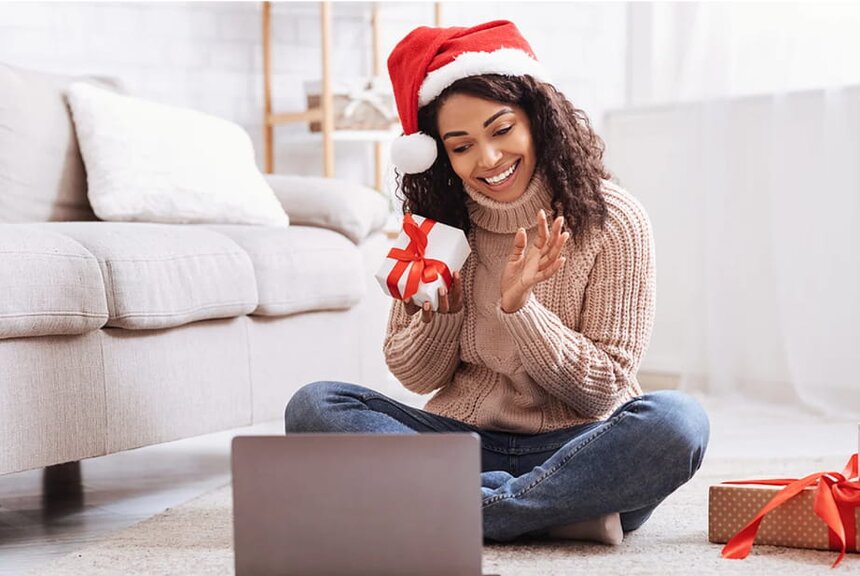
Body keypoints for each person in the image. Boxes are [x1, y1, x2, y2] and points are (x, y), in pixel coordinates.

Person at [285, 20, 709, 545]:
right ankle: (549, 511)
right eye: (461, 146)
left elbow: (602, 389)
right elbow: (415, 376)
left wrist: (522, 307)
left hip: (578, 445)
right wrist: (447, 309)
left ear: (538, 120)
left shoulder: (612, 220)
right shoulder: (435, 225)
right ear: (440, 153)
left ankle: (453, 504)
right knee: (315, 407)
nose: (487, 159)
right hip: (462, 441)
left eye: (502, 130)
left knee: (678, 421)